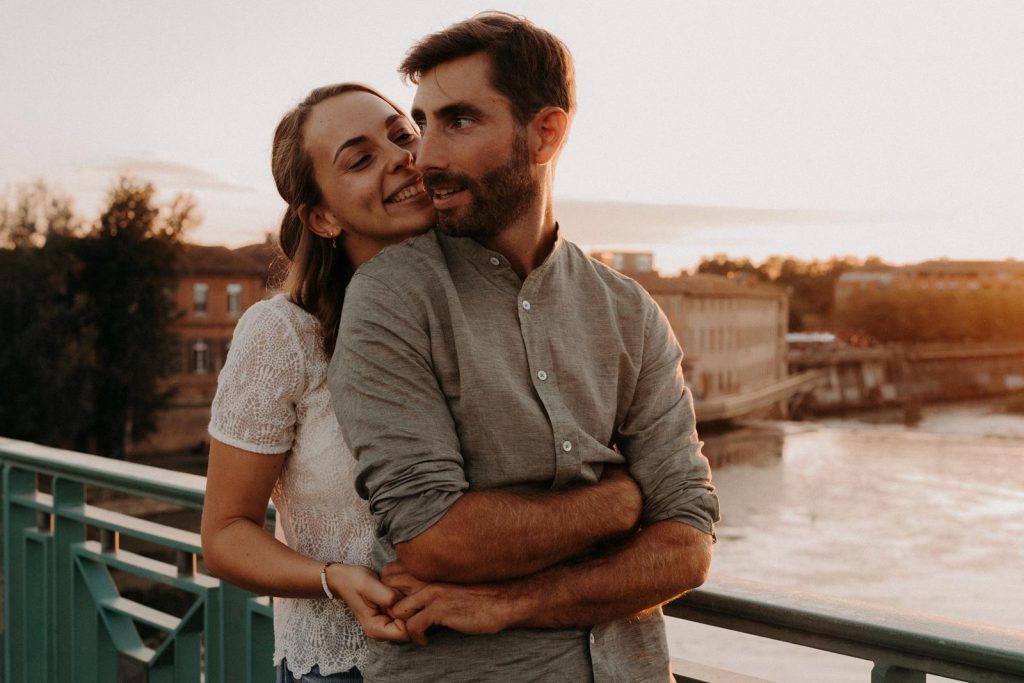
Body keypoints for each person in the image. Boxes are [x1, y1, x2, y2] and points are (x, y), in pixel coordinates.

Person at [330, 12, 721, 683]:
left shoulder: (629, 311)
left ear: (546, 132)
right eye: (422, 123)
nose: (425, 157)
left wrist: (512, 601)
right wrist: (619, 502)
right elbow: (436, 540)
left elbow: (687, 544)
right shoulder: (392, 297)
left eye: (458, 120)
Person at [200, 82, 435, 682]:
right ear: (322, 216)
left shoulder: (483, 308)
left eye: (401, 135)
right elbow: (225, 534)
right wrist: (333, 578)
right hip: (347, 667)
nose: (399, 158)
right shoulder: (284, 334)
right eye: (360, 159)